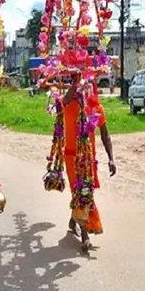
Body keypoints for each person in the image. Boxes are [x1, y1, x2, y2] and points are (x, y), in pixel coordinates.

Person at [63, 75, 117, 251]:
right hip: (72, 157)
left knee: (84, 191)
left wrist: (111, 158)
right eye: (81, 84)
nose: (85, 87)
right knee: (80, 191)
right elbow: (65, 99)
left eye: (88, 84)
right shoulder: (69, 104)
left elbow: (105, 135)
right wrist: (75, 85)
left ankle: (74, 221)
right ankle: (85, 234)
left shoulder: (96, 108)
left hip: (88, 158)